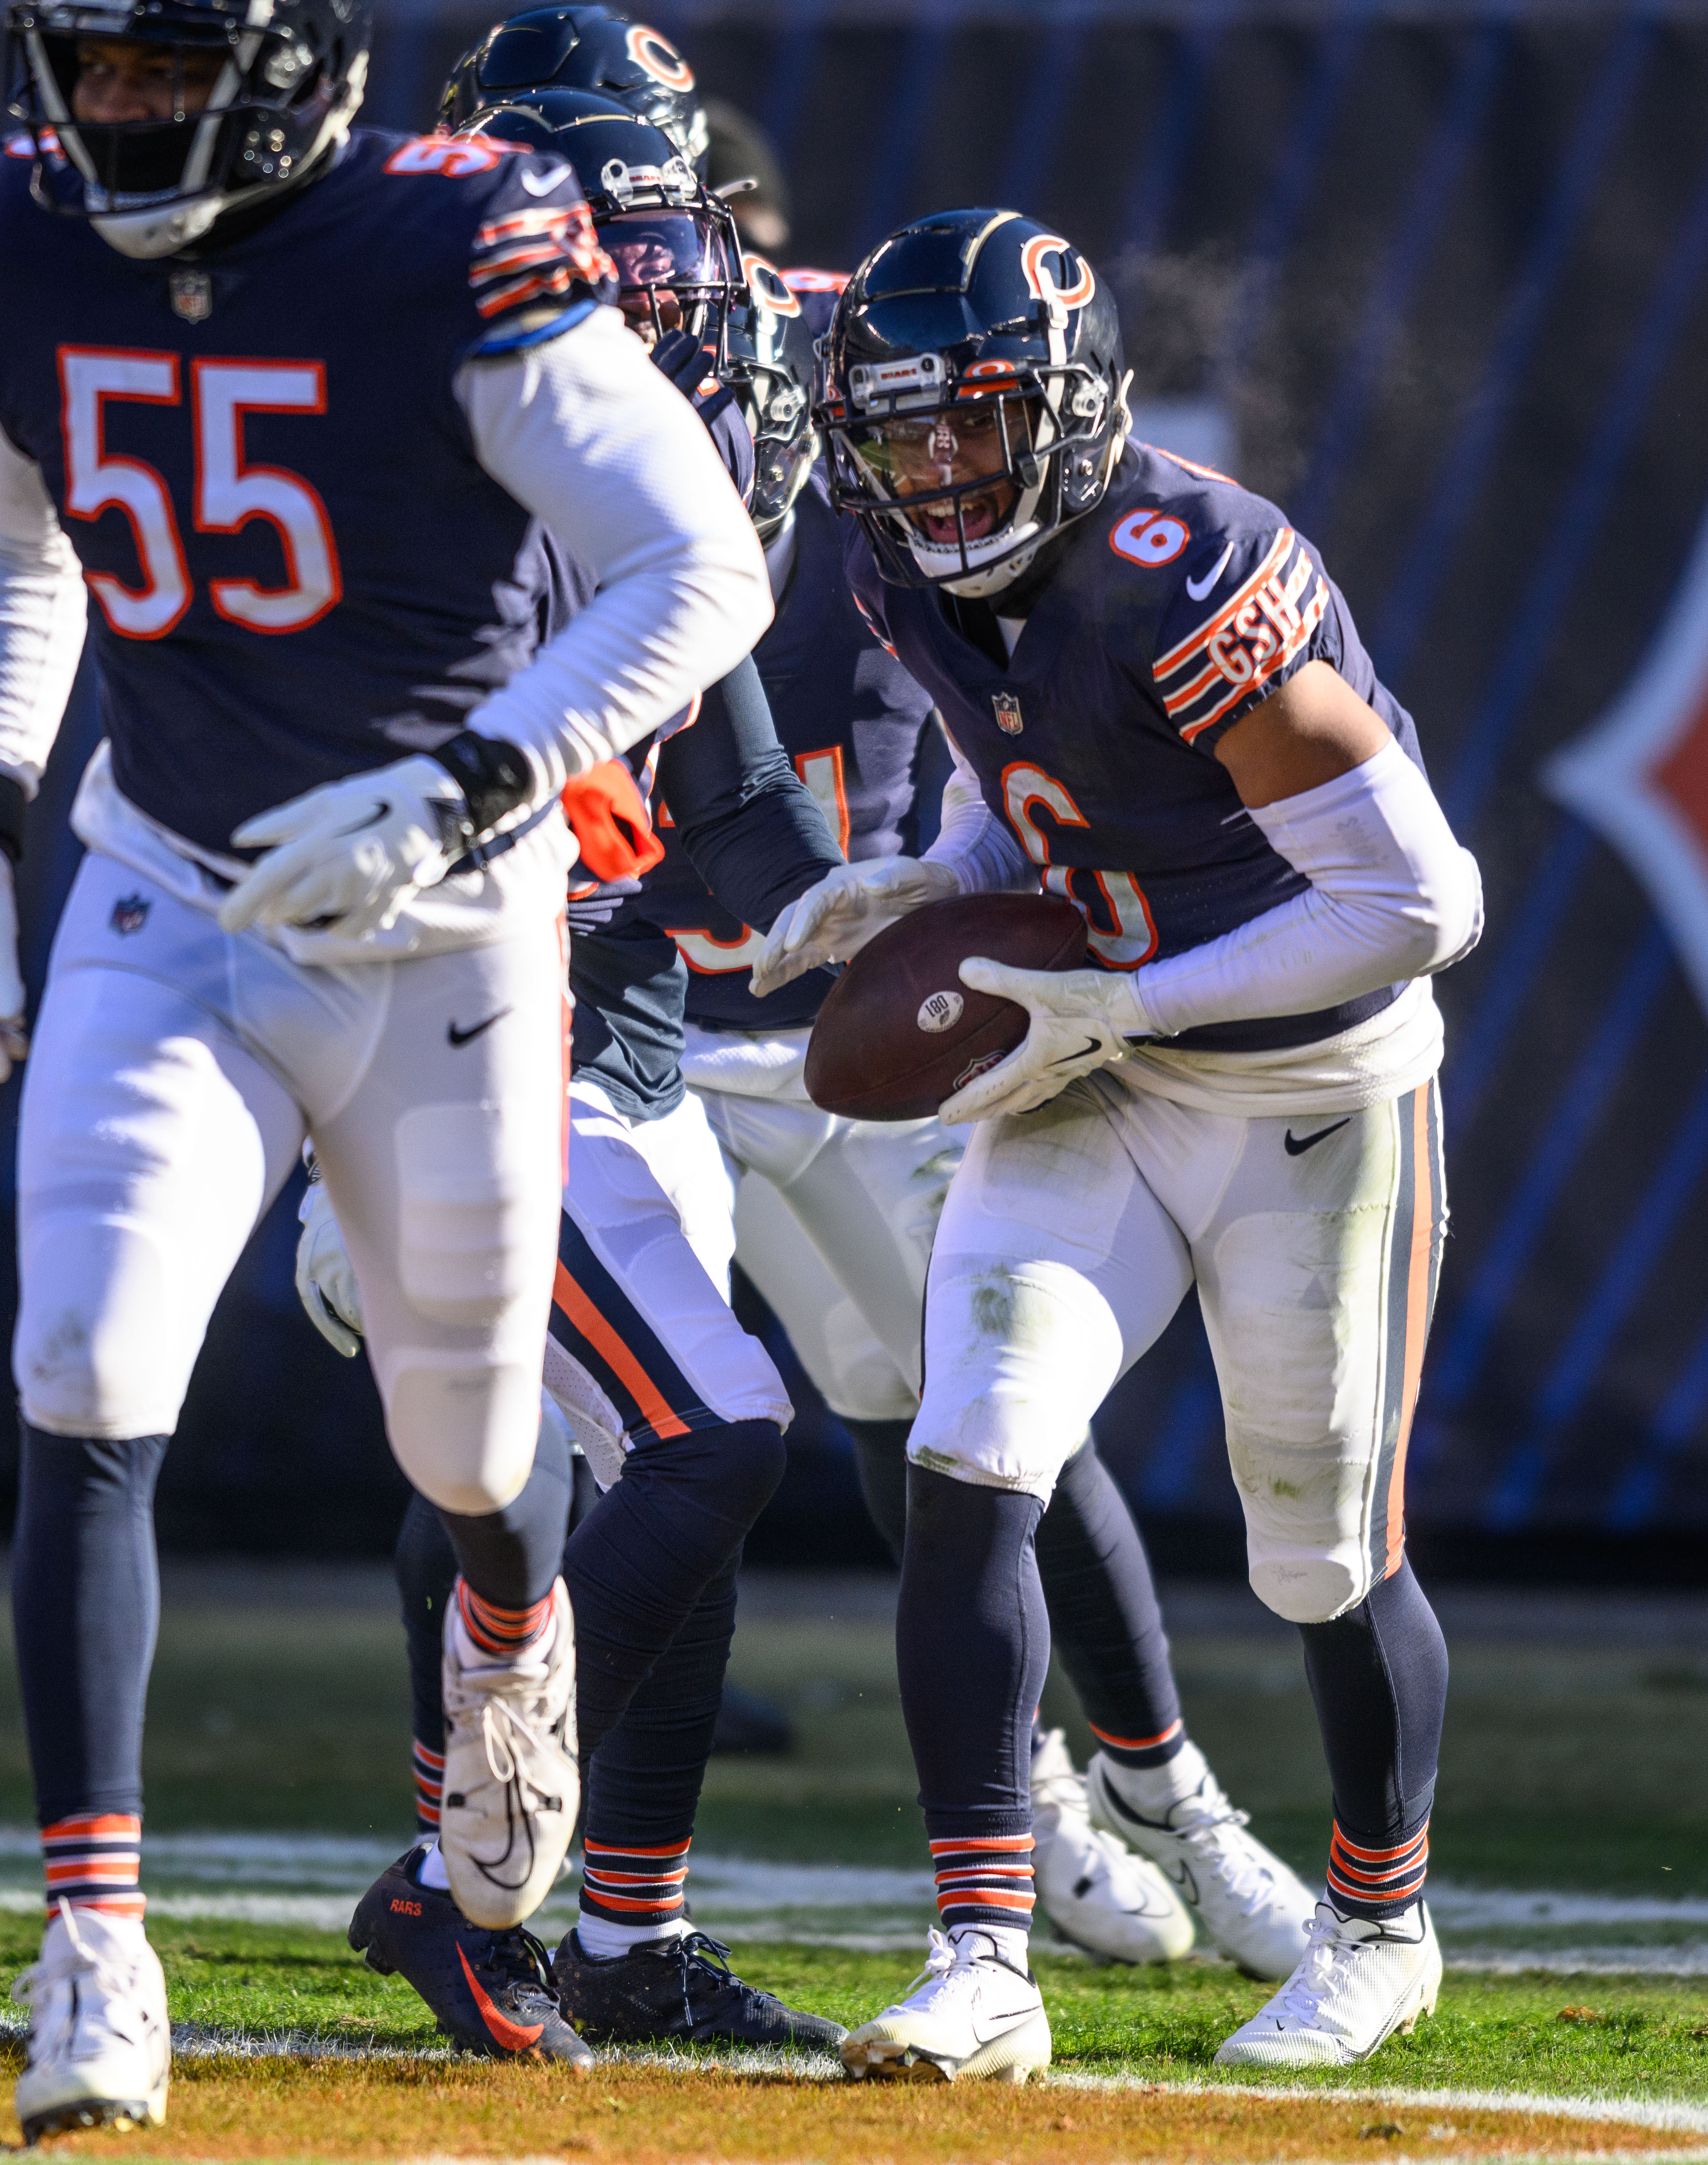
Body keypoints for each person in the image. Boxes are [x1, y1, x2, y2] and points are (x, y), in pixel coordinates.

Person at [0, 1, 767, 2134]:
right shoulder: (13, 240)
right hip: (171, 884)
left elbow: (705, 568)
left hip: (447, 925)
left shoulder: (445, 246)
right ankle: (95, 1945)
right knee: (86, 1360)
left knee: (473, 1437)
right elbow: (8, 529)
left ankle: (507, 1636)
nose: (107, 110)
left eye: (154, 69)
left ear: (284, 69)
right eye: (82, 65)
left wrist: (480, 780)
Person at [748, 208, 1484, 2077]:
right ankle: (983, 1954)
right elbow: (1055, 795)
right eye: (898, 436)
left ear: (1069, 414)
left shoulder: (1186, 570)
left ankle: (1382, 1925)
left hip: (1307, 1086)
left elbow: (1418, 897)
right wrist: (944, 880)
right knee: (968, 1446)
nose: (931, 471)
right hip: (1106, 1059)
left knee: (1315, 1545)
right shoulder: (898, 571)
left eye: (972, 426)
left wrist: (1130, 1001)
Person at [645, 260, 1316, 1985]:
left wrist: (947, 902)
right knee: (617, 1444)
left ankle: (1166, 1797)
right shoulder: (514, 430)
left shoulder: (893, 471)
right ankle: (526, 1868)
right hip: (636, 1033)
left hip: (871, 1024)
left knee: (977, 1417)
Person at [299, 83, 846, 2060]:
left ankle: (622, 1931)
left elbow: (746, 808)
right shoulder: (401, 473)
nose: (643, 300)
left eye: (655, 251)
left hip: (620, 1058)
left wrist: (886, 918)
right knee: (681, 1435)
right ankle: (458, 1871)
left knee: (662, 1478)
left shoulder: (657, 478)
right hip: (436, 1041)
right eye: (593, 261)